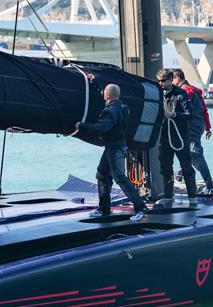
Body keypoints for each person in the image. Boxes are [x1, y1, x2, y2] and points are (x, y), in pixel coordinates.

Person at [74, 84, 148, 221]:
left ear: (108, 95)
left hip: (115, 148)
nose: (103, 94)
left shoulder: (112, 110)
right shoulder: (122, 106)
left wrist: (82, 126)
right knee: (102, 174)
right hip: (112, 146)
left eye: (104, 93)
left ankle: (141, 207)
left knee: (119, 177)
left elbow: (102, 128)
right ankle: (104, 209)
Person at [156, 69, 198, 206]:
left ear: (170, 80)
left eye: (163, 81)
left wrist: (173, 115)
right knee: (165, 167)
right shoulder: (158, 95)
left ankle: (192, 197)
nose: (161, 83)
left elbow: (190, 114)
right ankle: (168, 195)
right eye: (159, 81)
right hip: (164, 136)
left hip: (180, 136)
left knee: (186, 166)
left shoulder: (181, 94)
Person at [172, 69, 213, 194]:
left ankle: (210, 186)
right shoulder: (196, 90)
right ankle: (178, 175)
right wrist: (208, 127)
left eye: (172, 80)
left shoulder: (185, 91)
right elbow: (204, 110)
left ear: (178, 79)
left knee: (196, 155)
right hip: (199, 125)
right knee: (189, 150)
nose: (172, 82)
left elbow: (186, 110)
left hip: (191, 126)